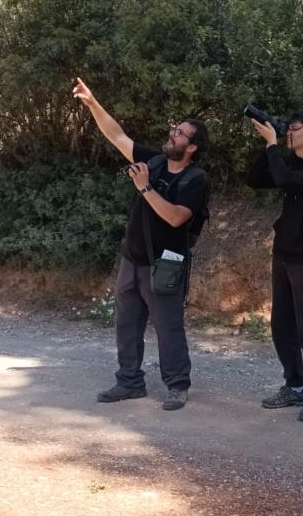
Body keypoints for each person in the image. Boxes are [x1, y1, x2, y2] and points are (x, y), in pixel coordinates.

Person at [73, 77, 210, 412]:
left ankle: (177, 386)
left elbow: (176, 217)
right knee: (126, 323)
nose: (172, 134)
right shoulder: (157, 162)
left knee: (168, 328)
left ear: (191, 147)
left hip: (165, 264)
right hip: (131, 260)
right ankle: (129, 382)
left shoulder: (196, 179)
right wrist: (93, 103)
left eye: (179, 133)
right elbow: (117, 135)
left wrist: (146, 188)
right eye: (175, 129)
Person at [246, 110, 303, 422]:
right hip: (283, 252)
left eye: (295, 129)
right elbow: (256, 179)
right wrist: (268, 147)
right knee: (281, 324)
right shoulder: (294, 163)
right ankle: (295, 386)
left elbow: (286, 179)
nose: (289, 133)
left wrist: (273, 147)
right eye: (289, 129)